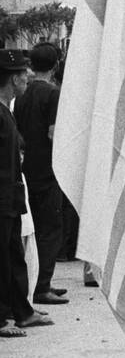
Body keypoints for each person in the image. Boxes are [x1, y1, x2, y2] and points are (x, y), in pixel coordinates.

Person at [13, 42, 67, 306]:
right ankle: (42, 285)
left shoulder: (20, 93)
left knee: (31, 231)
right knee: (51, 229)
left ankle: (33, 282)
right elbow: (53, 133)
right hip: (48, 168)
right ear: (56, 65)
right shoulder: (53, 94)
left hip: (26, 168)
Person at [0, 49, 48, 337]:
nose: (28, 78)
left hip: (11, 196)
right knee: (3, 258)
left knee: (14, 255)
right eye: (23, 74)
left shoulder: (8, 110)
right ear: (12, 78)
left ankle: (23, 311)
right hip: (3, 197)